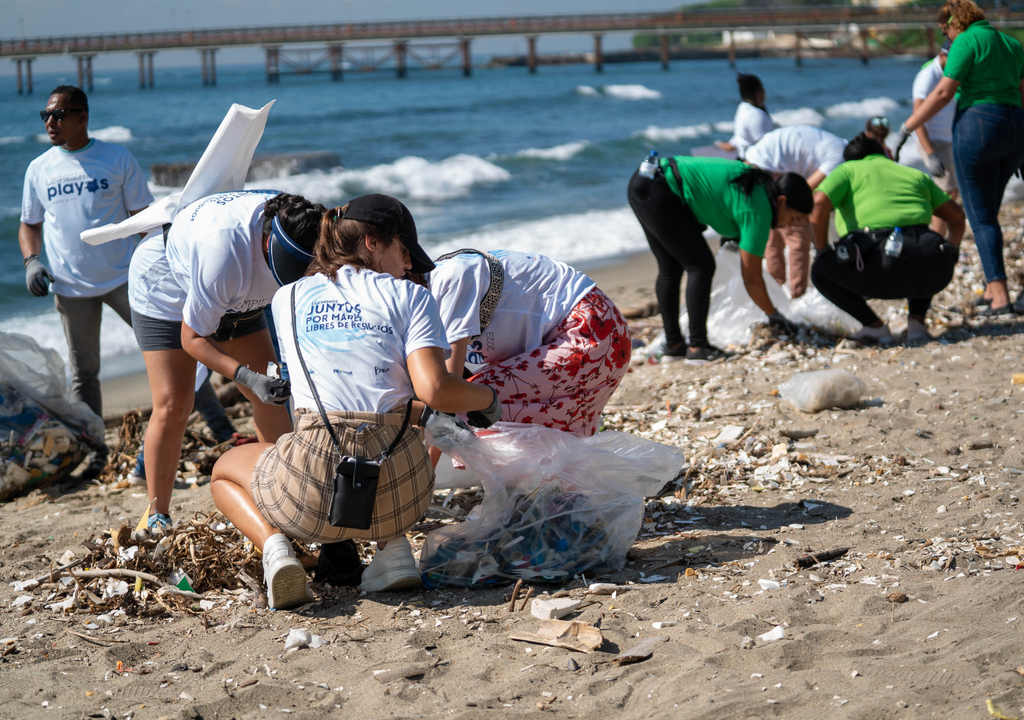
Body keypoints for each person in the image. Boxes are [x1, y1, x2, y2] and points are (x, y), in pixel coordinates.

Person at [209, 194, 502, 608]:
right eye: (404, 253)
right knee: (389, 427)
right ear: (372, 243)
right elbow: (434, 389)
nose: (408, 267)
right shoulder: (411, 297)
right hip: (403, 498)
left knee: (223, 470)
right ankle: (394, 551)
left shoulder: (286, 298)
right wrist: (486, 397)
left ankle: (276, 551)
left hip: (309, 497)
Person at [128, 191, 325, 531]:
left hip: (242, 296)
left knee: (273, 395)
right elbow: (192, 339)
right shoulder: (222, 255)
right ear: (268, 242)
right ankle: (157, 513)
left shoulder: (310, 226)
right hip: (168, 289)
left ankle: (283, 493)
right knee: (174, 403)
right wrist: (245, 377)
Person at [19, 86, 153, 423]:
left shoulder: (117, 158)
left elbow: (144, 220)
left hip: (124, 279)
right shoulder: (39, 168)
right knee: (84, 375)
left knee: (167, 349)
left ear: (83, 117)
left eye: (58, 114)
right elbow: (29, 224)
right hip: (70, 288)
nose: (50, 121)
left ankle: (218, 424)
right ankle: (95, 448)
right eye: (45, 115)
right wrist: (31, 262)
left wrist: (164, 264)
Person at [894, 0, 1024, 315]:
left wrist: (907, 127)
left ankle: (1001, 296)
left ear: (955, 22)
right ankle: (994, 290)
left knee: (980, 217)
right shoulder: (1011, 43)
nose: (948, 38)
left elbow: (943, 92)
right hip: (1014, 127)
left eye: (946, 30)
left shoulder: (967, 39)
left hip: (978, 125)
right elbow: (1022, 92)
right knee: (988, 214)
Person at [628, 155, 812, 364]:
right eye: (793, 218)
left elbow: (721, 198)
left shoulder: (759, 183)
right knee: (701, 266)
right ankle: (697, 347)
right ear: (782, 201)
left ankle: (674, 345)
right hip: (663, 192)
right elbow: (751, 277)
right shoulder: (758, 211)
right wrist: (774, 314)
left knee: (670, 268)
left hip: (645, 180)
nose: (788, 225)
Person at [427, 249, 631, 437]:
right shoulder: (432, 286)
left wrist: (428, 469)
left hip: (594, 334)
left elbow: (447, 399)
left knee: (471, 402)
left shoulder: (449, 280)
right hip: (604, 332)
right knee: (475, 402)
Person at [809, 134, 965, 344]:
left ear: (850, 160)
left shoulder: (848, 170)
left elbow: (818, 204)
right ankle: (917, 323)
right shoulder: (913, 174)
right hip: (935, 270)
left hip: (880, 271)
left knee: (820, 271)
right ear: (883, 153)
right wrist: (952, 251)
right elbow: (957, 217)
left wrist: (822, 250)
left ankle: (874, 327)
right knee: (923, 248)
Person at [744, 125, 848, 298]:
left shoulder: (836, 145)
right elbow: (804, 192)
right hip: (766, 169)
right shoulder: (839, 157)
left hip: (756, 162)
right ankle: (796, 295)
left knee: (772, 236)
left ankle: (775, 291)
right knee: (797, 237)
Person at [903, 40, 960, 237]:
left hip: (949, 139)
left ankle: (939, 237)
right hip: (933, 140)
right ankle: (936, 239)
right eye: (952, 59)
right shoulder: (927, 76)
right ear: (942, 55)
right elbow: (917, 117)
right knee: (946, 194)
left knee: (951, 192)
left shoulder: (951, 74)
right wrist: (930, 153)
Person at [715, 74, 775, 159]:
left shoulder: (742, 108)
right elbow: (769, 148)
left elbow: (738, 140)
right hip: (756, 165)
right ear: (759, 92)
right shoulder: (756, 115)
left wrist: (719, 144)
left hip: (743, 160)